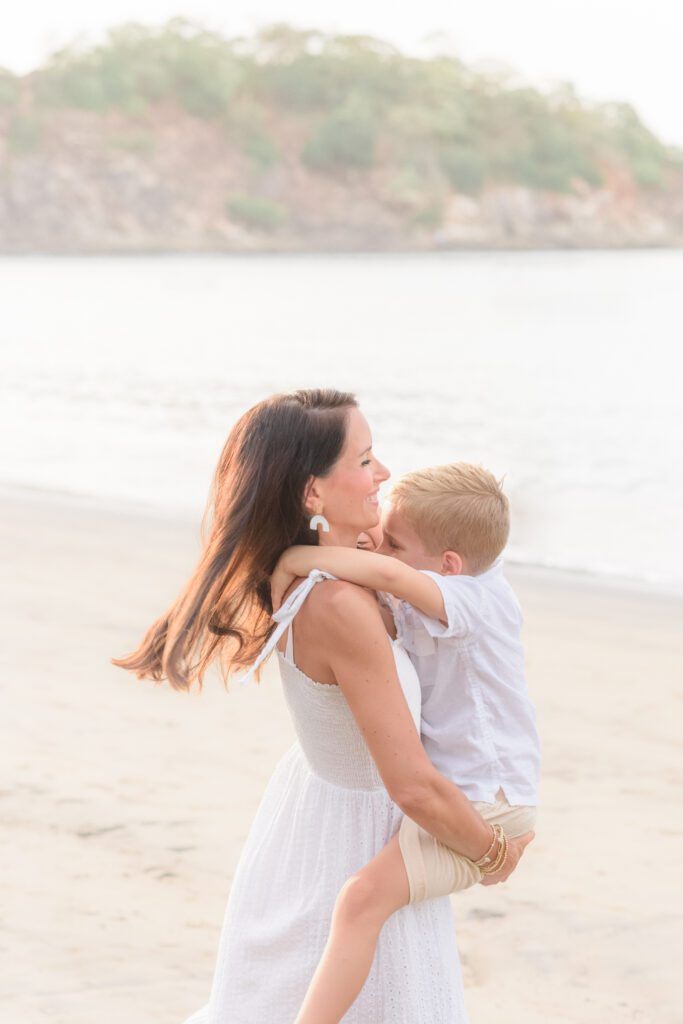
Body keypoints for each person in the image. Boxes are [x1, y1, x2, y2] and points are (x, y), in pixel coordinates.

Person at [112, 391, 532, 1023]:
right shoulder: (338, 604)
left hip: (322, 814)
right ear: (313, 494)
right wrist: (492, 855)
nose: (384, 474)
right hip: (352, 838)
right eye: (365, 460)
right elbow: (413, 785)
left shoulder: (344, 577)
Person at [271, 462, 540, 1024]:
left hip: (485, 802)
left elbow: (390, 580)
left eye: (394, 542)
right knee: (360, 905)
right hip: (470, 791)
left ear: (448, 566)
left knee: (359, 902)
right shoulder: (438, 585)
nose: (380, 550)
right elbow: (389, 582)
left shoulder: (475, 598)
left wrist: (300, 557)